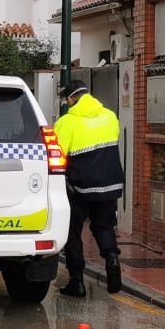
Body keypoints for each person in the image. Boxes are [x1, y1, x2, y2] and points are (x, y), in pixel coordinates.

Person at [53, 80, 123, 296]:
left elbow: (58, 155)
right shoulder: (110, 116)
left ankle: (77, 282)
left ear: (71, 99)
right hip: (109, 184)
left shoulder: (67, 123)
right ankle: (112, 258)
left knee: (72, 232)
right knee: (104, 226)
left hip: (79, 188)